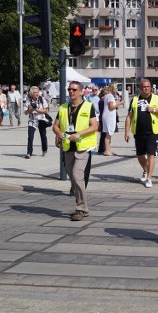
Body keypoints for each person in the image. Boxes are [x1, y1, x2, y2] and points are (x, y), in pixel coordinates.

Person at [52, 81, 98, 221]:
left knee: (78, 176)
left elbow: (95, 126)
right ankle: (81, 206)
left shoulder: (88, 106)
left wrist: (79, 134)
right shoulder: (63, 107)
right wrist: (58, 133)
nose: (71, 91)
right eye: (69, 89)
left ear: (80, 92)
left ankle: (81, 208)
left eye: (74, 89)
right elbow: (55, 126)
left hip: (82, 147)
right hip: (67, 147)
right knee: (74, 179)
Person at [125, 79, 158, 188]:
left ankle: (149, 178)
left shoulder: (157, 98)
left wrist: (153, 110)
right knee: (140, 155)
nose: (146, 88)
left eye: (148, 86)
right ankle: (145, 170)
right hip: (138, 131)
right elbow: (129, 116)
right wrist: (126, 131)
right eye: (144, 87)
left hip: (153, 131)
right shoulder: (134, 99)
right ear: (140, 88)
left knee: (150, 154)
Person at [23, 86, 50, 159]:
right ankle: (29, 153)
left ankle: (44, 150)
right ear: (31, 93)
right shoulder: (28, 101)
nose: (37, 94)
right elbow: (25, 113)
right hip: (32, 120)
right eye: (35, 92)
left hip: (41, 119)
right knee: (30, 137)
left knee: (43, 135)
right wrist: (30, 110)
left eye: (37, 92)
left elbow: (46, 110)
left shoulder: (42, 99)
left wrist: (38, 110)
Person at [102, 84, 124, 156]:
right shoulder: (110, 96)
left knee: (108, 133)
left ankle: (108, 149)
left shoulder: (108, 96)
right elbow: (111, 107)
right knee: (108, 133)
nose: (116, 89)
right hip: (109, 116)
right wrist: (120, 103)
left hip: (107, 115)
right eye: (115, 87)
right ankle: (107, 150)